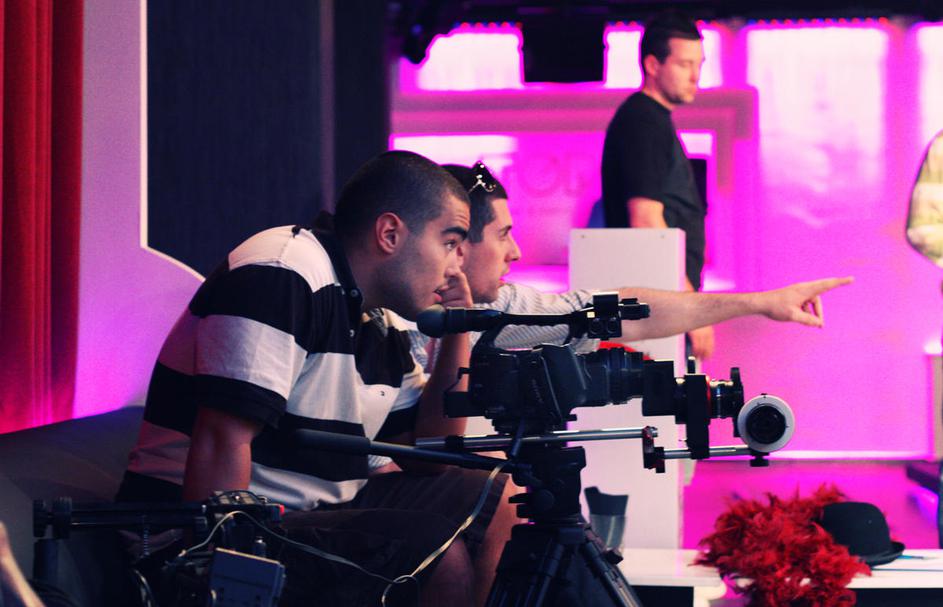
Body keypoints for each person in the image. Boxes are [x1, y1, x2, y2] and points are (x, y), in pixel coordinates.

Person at [116, 151, 516, 607]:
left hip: (304, 514)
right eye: (449, 243)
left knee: (499, 492)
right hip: (195, 532)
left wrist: (458, 327)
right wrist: (219, 574)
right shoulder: (282, 271)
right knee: (435, 557)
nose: (455, 267)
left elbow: (430, 455)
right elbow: (219, 440)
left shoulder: (377, 317)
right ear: (390, 234)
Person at [410, 162, 851, 370]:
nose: (516, 252)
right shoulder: (396, 317)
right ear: (458, 245)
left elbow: (625, 314)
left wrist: (761, 302)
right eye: (503, 234)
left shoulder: (498, 308)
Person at [600, 11, 715, 359]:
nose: (695, 76)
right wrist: (691, 308)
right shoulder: (643, 121)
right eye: (684, 64)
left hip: (659, 304)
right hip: (658, 307)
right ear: (652, 65)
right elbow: (646, 219)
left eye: (699, 64)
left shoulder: (651, 119)